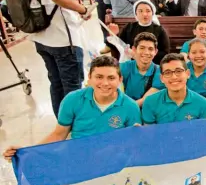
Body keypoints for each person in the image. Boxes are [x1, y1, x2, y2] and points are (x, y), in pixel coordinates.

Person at [3, 56, 141, 161]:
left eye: (111, 78)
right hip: (78, 159)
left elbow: (132, 144)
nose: (105, 83)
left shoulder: (130, 107)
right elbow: (59, 134)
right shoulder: (72, 100)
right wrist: (27, 152)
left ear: (120, 79)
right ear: (90, 78)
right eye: (99, 77)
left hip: (113, 160)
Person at [30, 0, 90, 117]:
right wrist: (82, 9)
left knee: (56, 83)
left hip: (43, 37)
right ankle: (72, 125)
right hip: (62, 40)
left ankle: (61, 121)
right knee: (72, 86)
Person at [142, 53, 206, 124]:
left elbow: (202, 132)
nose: (174, 77)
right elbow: (149, 133)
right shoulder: (150, 102)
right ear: (161, 78)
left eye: (178, 71)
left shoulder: (202, 103)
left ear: (188, 74)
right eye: (167, 73)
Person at [107, 0, 170, 64]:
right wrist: (113, 35)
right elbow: (119, 47)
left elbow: (165, 52)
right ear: (136, 13)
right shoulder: (129, 27)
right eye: (140, 11)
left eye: (148, 11)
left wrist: (145, 56)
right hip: (131, 64)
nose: (145, 14)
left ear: (152, 13)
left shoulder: (159, 30)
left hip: (152, 64)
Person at [120, 32, 165, 107]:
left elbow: (145, 100)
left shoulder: (160, 71)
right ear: (134, 49)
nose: (146, 52)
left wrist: (127, 109)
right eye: (142, 48)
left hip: (148, 112)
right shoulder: (125, 67)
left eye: (150, 49)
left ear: (155, 52)